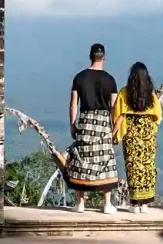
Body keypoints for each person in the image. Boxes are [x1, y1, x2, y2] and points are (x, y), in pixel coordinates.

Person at [64, 43, 119, 214]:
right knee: (105, 159)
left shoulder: (79, 78)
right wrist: (114, 130)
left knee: (82, 159)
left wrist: (73, 124)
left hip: (85, 120)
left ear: (90, 56)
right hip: (103, 123)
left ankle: (80, 203)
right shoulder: (110, 80)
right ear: (104, 57)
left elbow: (74, 103)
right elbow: (114, 108)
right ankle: (107, 203)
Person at [112, 62, 162, 212]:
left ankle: (135, 203)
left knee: (133, 167)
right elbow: (157, 116)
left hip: (131, 132)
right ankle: (145, 203)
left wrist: (113, 134)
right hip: (147, 133)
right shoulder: (151, 95)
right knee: (147, 167)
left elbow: (118, 116)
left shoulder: (124, 93)